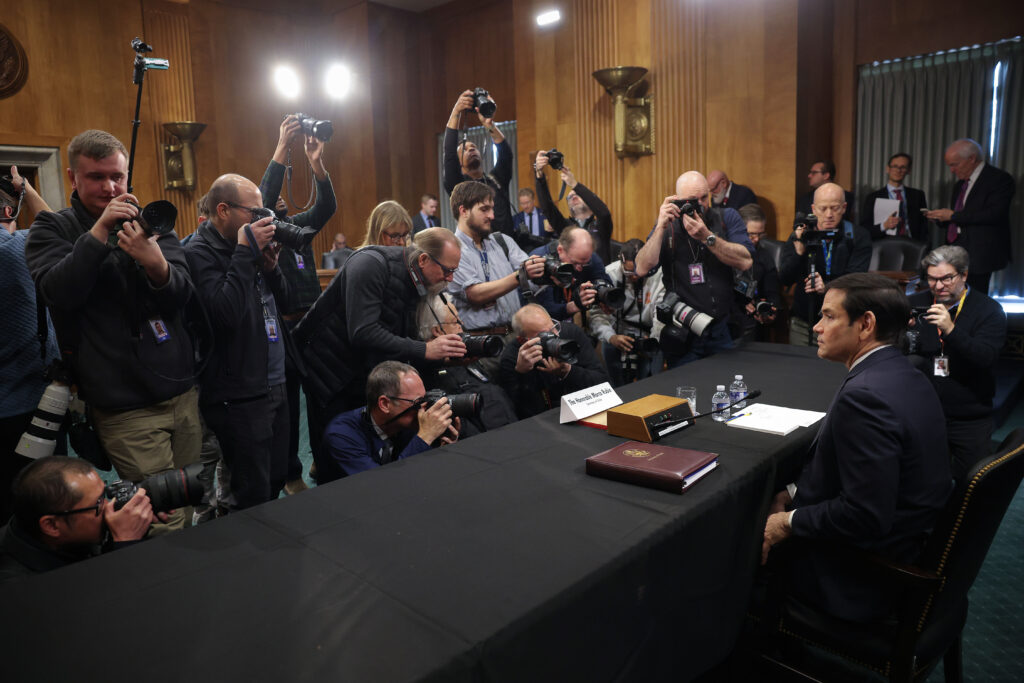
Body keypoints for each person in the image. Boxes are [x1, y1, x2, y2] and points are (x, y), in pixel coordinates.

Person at [24, 129, 200, 533]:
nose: (110, 187)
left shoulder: (150, 222)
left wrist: (155, 262)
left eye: (117, 177)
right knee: (164, 519)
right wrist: (100, 232)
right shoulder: (52, 227)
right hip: (125, 406)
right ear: (73, 177)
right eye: (97, 177)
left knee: (192, 501)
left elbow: (184, 296)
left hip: (182, 393)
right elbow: (58, 292)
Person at [761, 272, 951, 623]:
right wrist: (793, 491)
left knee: (740, 551)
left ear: (865, 325)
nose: (817, 327)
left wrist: (786, 522)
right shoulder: (907, 372)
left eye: (829, 316)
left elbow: (864, 515)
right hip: (909, 541)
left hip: (861, 579)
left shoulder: (865, 396)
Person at [293, 227, 467, 464]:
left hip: (364, 375)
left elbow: (396, 337)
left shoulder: (417, 280)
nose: (450, 279)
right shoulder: (370, 264)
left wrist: (441, 355)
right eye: (447, 270)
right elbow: (363, 332)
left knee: (370, 453)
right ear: (424, 260)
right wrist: (425, 349)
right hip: (330, 375)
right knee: (336, 457)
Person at [185, 173, 291, 510]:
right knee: (249, 490)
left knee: (277, 476)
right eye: (253, 212)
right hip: (239, 391)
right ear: (223, 210)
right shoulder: (198, 252)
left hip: (275, 379)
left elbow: (288, 304)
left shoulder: (248, 247)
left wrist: (272, 269)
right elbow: (225, 315)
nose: (261, 220)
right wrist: (245, 251)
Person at [259, 118, 338, 497]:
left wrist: (315, 162)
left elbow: (327, 206)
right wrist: (281, 146)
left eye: (280, 195)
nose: (277, 199)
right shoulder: (260, 233)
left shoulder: (298, 227)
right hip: (283, 330)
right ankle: (291, 474)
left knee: (324, 398)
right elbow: (262, 200)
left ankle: (324, 459)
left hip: (314, 328)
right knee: (289, 407)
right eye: (271, 196)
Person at [634, 171, 754, 367]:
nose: (700, 205)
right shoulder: (668, 227)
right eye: (691, 201)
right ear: (677, 200)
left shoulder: (726, 217)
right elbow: (641, 268)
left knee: (726, 380)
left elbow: (746, 261)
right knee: (686, 385)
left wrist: (708, 238)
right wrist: (660, 227)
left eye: (704, 198)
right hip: (684, 331)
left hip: (723, 327)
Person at [907, 245, 1007, 482]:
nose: (938, 286)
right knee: (923, 481)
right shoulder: (915, 303)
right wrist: (903, 333)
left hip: (969, 415)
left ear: (964, 275)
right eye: (932, 279)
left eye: (946, 278)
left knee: (972, 483)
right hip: (925, 412)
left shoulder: (989, 310)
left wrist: (951, 330)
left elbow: (985, 357)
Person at [1, 167, 61, 523]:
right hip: (29, 407)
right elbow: (57, 228)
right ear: (10, 211)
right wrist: (25, 187)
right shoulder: (19, 247)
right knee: (43, 498)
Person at [0, 457, 159, 583]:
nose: (108, 506)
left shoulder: (48, 530)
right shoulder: (18, 586)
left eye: (104, 495)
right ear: (52, 525)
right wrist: (125, 544)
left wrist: (137, 522)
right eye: (98, 503)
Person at [318, 361, 459, 484]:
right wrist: (425, 437)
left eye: (425, 398)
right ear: (385, 404)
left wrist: (440, 451)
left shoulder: (408, 423)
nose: (424, 408)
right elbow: (382, 485)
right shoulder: (341, 436)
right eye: (417, 402)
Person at [446, 181, 545, 338]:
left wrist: (543, 273)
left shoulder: (502, 241)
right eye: (484, 209)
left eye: (492, 209)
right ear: (464, 211)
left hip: (514, 336)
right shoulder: (452, 251)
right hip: (480, 341)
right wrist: (520, 275)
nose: (492, 216)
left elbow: (531, 282)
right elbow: (474, 294)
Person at [779, 182, 871, 346]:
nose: (829, 214)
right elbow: (785, 278)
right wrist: (799, 253)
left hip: (842, 323)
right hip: (803, 322)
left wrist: (827, 287)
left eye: (834, 208)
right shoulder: (801, 235)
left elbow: (856, 280)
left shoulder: (858, 236)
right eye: (823, 209)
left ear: (844, 208)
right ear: (813, 209)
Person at [924, 138, 1016, 294]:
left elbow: (994, 214)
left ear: (972, 158)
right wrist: (941, 218)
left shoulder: (999, 179)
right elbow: (961, 217)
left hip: (981, 252)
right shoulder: (960, 184)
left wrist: (952, 216)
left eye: (954, 164)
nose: (952, 170)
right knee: (954, 296)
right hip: (956, 251)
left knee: (975, 297)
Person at [416, 295, 518, 434]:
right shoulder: (427, 368)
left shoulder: (464, 351)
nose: (461, 323)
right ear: (437, 331)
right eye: (455, 322)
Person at [498, 304, 608, 419]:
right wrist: (522, 373)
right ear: (523, 340)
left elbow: (603, 382)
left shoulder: (571, 333)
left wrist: (568, 372)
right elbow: (519, 413)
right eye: (544, 335)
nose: (555, 336)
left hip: (587, 407)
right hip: (546, 420)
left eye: (553, 328)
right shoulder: (513, 358)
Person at [589, 238, 666, 387]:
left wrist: (652, 339)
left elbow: (661, 316)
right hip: (618, 333)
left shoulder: (659, 276)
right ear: (621, 263)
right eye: (629, 272)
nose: (635, 276)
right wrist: (611, 337)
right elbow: (597, 314)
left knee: (651, 384)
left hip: (649, 334)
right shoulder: (609, 274)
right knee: (616, 383)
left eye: (640, 270)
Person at [442, 89, 514, 237]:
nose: (471, 149)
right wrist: (456, 111)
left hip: (507, 245)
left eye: (473, 147)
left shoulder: (497, 179)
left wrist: (489, 125)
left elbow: (506, 154)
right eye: (465, 149)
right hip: (477, 247)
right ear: (458, 163)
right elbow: (449, 154)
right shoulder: (459, 187)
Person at [534, 151, 614, 264]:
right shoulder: (566, 227)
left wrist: (574, 184)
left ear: (589, 202)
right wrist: (539, 175)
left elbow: (604, 213)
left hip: (599, 274)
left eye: (577, 195)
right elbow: (548, 209)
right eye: (570, 197)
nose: (573, 197)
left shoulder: (601, 226)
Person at [528, 227, 606, 324]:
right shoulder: (539, 263)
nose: (579, 269)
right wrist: (577, 304)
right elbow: (545, 311)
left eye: (585, 263)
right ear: (560, 250)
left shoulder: (585, 255)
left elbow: (603, 280)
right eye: (575, 263)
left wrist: (603, 299)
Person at [729, 203, 781, 343]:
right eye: (751, 234)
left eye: (760, 234)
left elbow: (773, 293)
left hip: (753, 321)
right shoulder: (724, 253)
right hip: (728, 316)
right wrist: (740, 302)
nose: (756, 239)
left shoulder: (765, 257)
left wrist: (771, 310)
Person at [859, 152, 928, 241]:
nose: (898, 170)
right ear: (888, 169)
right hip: (883, 243)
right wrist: (884, 226)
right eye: (895, 166)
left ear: (908, 170)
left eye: (903, 167)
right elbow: (864, 228)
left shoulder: (918, 195)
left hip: (913, 243)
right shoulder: (873, 197)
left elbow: (924, 226)